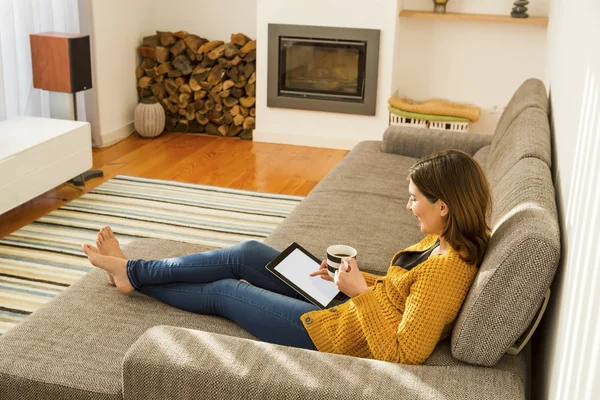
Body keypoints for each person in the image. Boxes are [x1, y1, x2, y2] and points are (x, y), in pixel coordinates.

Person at [82, 149, 491, 365]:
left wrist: (360, 293)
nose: (408, 207)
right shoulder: (445, 240)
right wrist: (342, 277)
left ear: (445, 206)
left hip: (333, 334)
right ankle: (133, 272)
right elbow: (401, 293)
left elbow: (402, 355)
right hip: (346, 302)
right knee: (248, 253)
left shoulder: (447, 270)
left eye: (414, 199)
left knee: (227, 291)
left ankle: (130, 274)